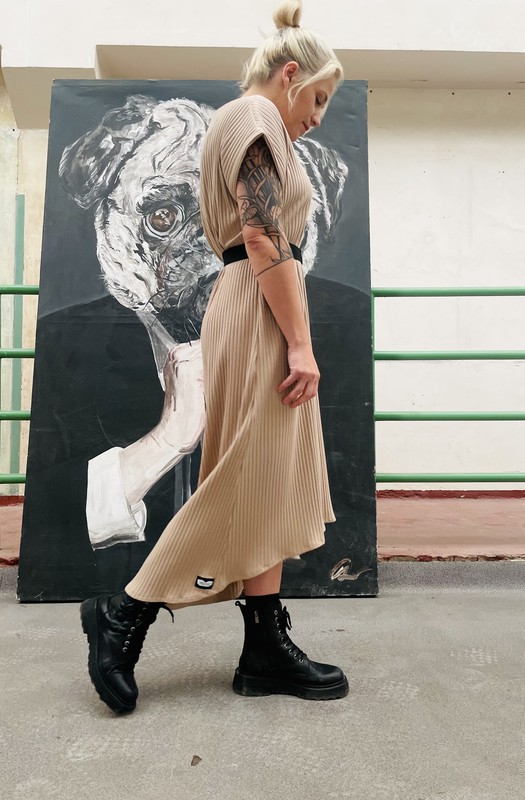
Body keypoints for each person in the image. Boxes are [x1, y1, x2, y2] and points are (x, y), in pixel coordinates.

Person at [80, 0, 349, 712]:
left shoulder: (248, 123)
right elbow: (262, 234)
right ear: (289, 74)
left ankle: (263, 646)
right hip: (258, 305)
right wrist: (299, 342)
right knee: (241, 476)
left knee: (266, 479)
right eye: (317, 97)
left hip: (255, 301)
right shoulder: (253, 116)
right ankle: (124, 612)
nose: (317, 116)